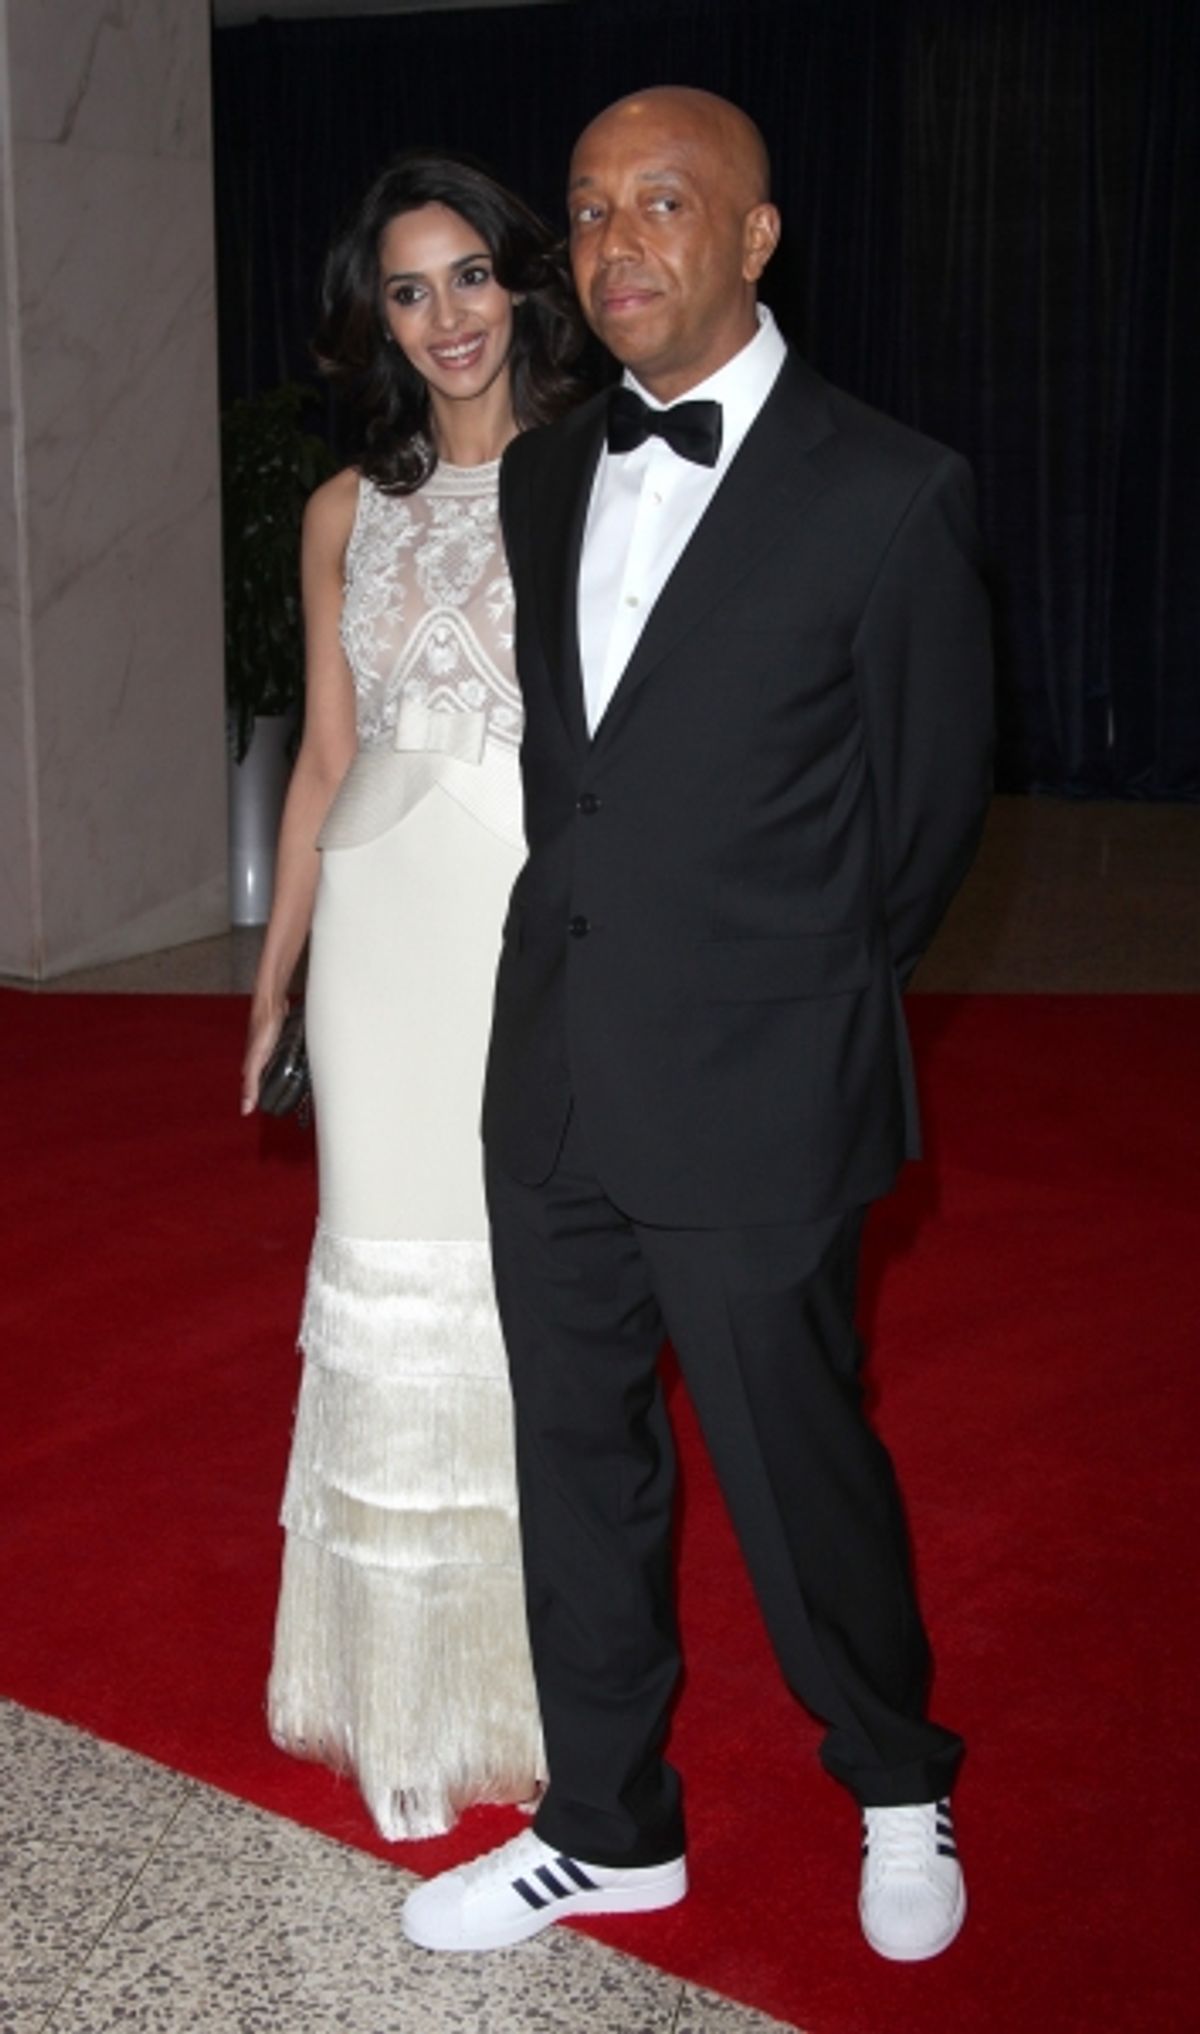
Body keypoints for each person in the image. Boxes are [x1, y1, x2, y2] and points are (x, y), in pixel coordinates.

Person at [402, 89, 993, 1957]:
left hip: (758, 1083)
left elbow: (923, 825)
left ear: (754, 237)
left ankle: (896, 1776)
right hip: (556, 1066)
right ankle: (608, 1823)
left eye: (664, 202)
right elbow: (578, 783)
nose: (615, 241)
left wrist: (780, 1003)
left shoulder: (890, 489)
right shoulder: (549, 474)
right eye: (587, 210)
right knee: (577, 1462)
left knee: (795, 1462)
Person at [240, 151, 583, 1840]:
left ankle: (519, 1694)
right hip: (379, 935)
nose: (447, 316)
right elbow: (323, 760)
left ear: (520, 283)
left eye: (470, 276)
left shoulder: (595, 477)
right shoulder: (341, 513)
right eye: (407, 289)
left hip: (533, 921)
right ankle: (393, 1696)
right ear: (372, 320)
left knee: (527, 1309)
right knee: (385, 1295)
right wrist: (274, 982)